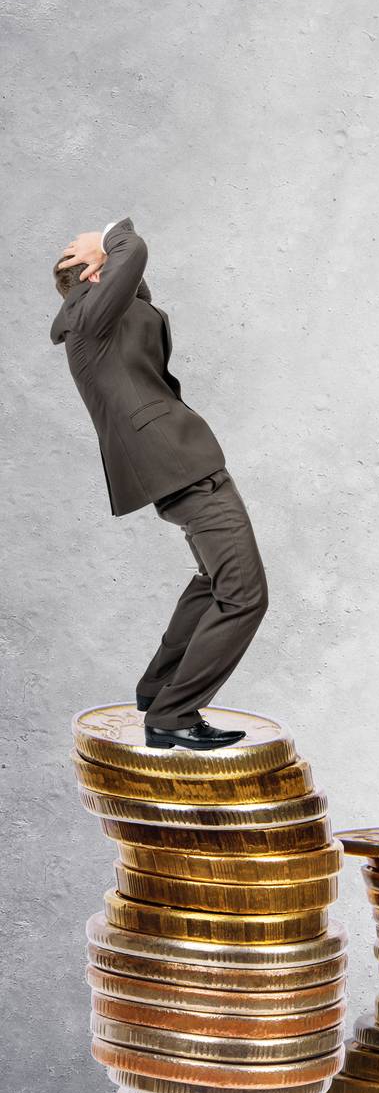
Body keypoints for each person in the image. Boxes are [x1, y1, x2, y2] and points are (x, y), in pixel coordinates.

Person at [52, 218, 268, 750]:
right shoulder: (89, 318)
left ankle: (156, 691)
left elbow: (139, 288)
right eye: (106, 267)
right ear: (95, 277)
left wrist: (108, 259)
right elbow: (135, 248)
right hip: (182, 468)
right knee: (245, 596)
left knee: (215, 581)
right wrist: (105, 241)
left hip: (184, 464)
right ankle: (174, 714)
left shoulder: (105, 317)